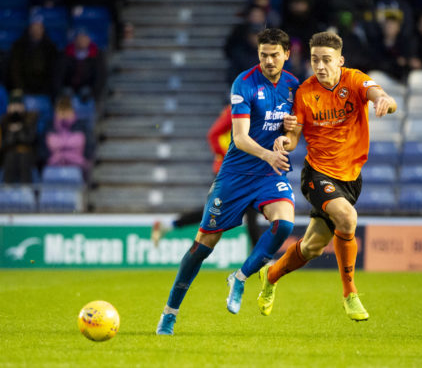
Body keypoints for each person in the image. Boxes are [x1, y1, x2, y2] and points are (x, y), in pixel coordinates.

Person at [154, 28, 299, 335]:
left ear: (287, 54)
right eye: (263, 55)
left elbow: (293, 140)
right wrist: (269, 155)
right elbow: (240, 138)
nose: (269, 61)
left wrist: (288, 138)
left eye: (275, 55)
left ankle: (241, 277)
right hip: (235, 175)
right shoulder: (244, 83)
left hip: (268, 175)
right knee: (203, 246)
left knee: (284, 224)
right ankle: (170, 312)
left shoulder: (292, 86)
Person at [257, 31, 397, 321]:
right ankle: (350, 294)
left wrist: (384, 101)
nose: (319, 66)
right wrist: (284, 141)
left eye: (326, 60)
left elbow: (380, 95)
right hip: (317, 174)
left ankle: (269, 276)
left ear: (340, 61)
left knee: (312, 247)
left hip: (350, 178)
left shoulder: (355, 80)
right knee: (347, 218)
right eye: (314, 60)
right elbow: (294, 137)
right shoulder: (305, 93)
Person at [152, 105, 261, 246]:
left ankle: (169, 225)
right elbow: (213, 134)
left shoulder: (256, 110)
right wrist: (229, 158)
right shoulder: (237, 109)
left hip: (244, 172)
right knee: (225, 211)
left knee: (224, 210)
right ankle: (261, 259)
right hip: (229, 171)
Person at [0, 91, 38, 183]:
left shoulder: (30, 119)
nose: (16, 108)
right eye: (13, 105)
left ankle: (26, 190)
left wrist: (19, 129)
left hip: (27, 154)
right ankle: (7, 190)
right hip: (8, 156)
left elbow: (30, 140)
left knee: (23, 158)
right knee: (10, 157)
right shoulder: (4, 121)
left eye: (18, 104)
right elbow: (4, 143)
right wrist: (12, 132)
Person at [45, 96, 88, 173]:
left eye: (67, 110)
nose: (64, 113)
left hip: (78, 167)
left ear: (72, 111)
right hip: (54, 167)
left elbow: (88, 149)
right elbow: (44, 152)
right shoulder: (49, 127)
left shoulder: (81, 127)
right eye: (61, 110)